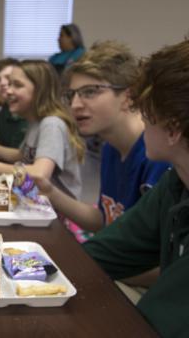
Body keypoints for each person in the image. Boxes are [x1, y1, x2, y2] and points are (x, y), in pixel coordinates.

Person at [83, 39, 189, 337]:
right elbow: (104, 252)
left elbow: (155, 323)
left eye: (146, 112)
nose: (141, 120)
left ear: (172, 128)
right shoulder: (176, 182)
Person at [36, 41, 170, 242]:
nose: (75, 105)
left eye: (90, 91)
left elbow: (160, 262)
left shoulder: (158, 155)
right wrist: (50, 192)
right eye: (71, 95)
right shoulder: (110, 149)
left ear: (129, 96)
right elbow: (103, 221)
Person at [0, 60, 85, 199]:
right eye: (10, 84)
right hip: (34, 196)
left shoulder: (51, 124)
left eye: (17, 85)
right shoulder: (35, 122)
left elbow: (40, 173)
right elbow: (21, 155)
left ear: (40, 90)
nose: (8, 90)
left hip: (57, 214)